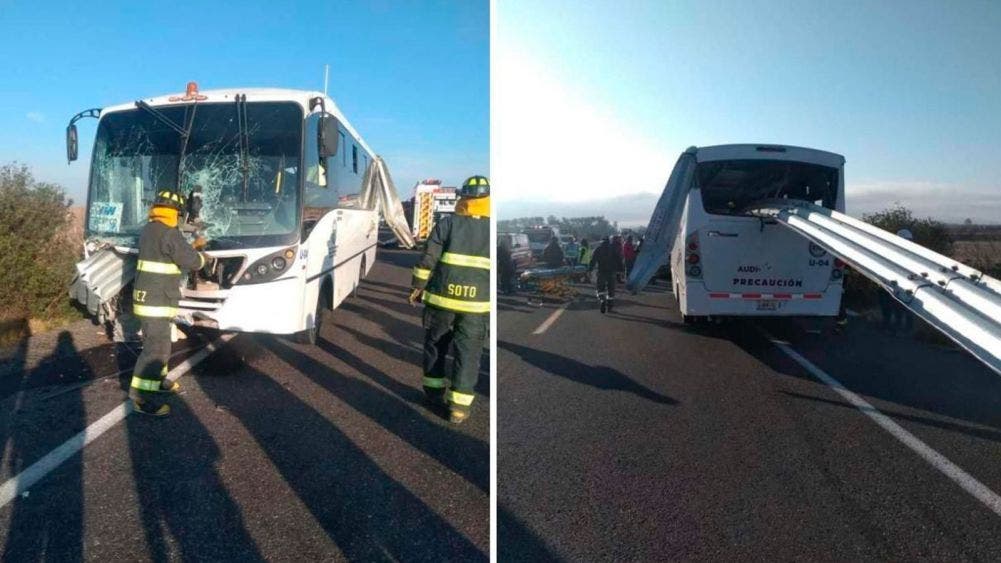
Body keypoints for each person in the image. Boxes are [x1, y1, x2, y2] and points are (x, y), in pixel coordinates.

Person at [409, 175, 490, 424]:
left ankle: (433, 393)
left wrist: (417, 287)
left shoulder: (448, 223)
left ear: (462, 198)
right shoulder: (493, 229)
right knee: (468, 354)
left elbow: (428, 258)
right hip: (476, 306)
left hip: (442, 300)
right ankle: (458, 408)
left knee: (436, 346)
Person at [130, 190, 210, 416]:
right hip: (157, 301)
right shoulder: (169, 233)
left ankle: (158, 380)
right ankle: (141, 398)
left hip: (148, 298)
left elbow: (168, 252)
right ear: (176, 212)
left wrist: (189, 246)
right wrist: (202, 254)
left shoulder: (149, 229)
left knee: (162, 344)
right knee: (154, 349)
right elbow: (192, 261)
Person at [878, 228, 916, 334]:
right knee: (893, 307)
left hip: (902, 286)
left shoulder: (909, 253)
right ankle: (893, 327)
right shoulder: (894, 252)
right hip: (893, 284)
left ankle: (899, 329)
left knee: (899, 308)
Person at [588, 236, 625, 313]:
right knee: (611, 290)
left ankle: (602, 300)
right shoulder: (613, 249)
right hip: (611, 272)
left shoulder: (598, 249)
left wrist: (590, 270)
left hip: (601, 272)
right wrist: (622, 270)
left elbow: (593, 260)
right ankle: (610, 307)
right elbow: (619, 259)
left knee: (600, 289)